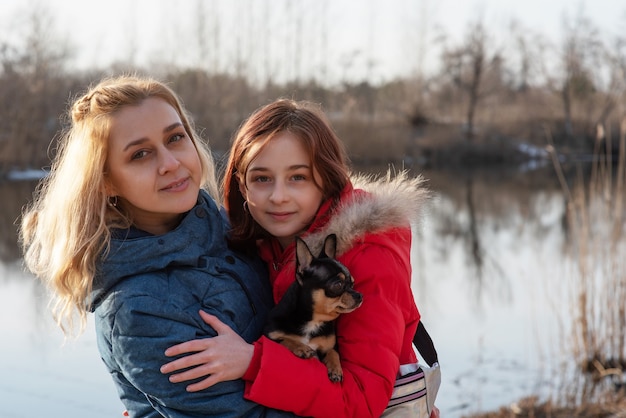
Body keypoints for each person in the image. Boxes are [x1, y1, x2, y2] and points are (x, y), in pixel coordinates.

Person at [19, 76, 296, 418]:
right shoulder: (139, 310)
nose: (170, 162)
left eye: (175, 138)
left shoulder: (232, 225)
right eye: (140, 154)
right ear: (106, 181)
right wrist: (365, 398)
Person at [160, 99, 440, 418]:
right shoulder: (262, 244)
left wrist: (253, 362)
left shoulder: (368, 253)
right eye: (262, 178)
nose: (279, 196)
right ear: (242, 184)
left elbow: (362, 401)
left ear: (327, 178)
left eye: (298, 178)